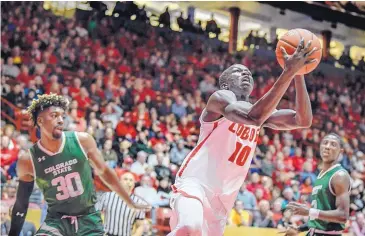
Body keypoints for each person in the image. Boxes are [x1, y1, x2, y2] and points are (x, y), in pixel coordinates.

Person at [168, 38, 317, 235]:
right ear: (225, 83)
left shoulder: (262, 112)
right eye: (238, 71)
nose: (245, 73)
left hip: (222, 199)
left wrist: (299, 73)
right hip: (195, 183)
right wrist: (288, 71)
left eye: (248, 73)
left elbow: (303, 120)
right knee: (190, 227)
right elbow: (252, 118)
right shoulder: (220, 98)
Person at [9, 94, 150, 236]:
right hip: (56, 221)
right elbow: (21, 203)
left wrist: (129, 201)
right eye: (54, 116)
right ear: (40, 121)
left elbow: (105, 172)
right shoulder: (28, 160)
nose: (60, 120)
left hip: (88, 219)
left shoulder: (82, 141)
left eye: (62, 116)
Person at [281, 133, 351, 236]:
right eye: (325, 143)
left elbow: (343, 215)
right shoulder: (320, 174)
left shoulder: (339, 175)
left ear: (340, 151)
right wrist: (299, 229)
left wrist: (309, 211)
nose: (327, 146)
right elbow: (320, 216)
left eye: (333, 144)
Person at [97, 172, 146, 236]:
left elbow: (140, 226)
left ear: (134, 184)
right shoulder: (107, 196)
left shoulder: (138, 202)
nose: (128, 182)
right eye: (125, 179)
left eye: (131, 180)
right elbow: (96, 215)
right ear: (119, 182)